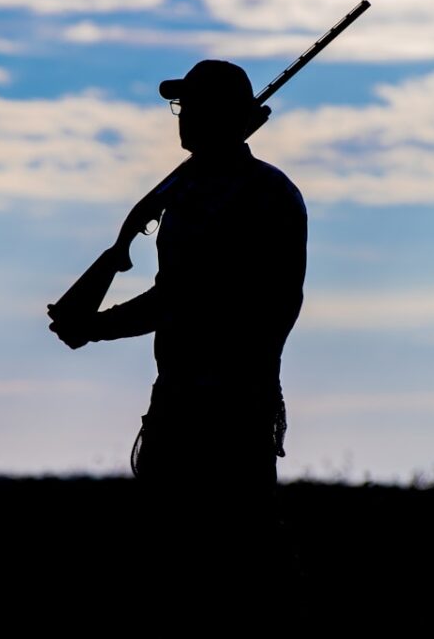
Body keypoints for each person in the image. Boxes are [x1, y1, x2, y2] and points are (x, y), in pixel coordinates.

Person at [49, 59, 308, 619]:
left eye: (195, 108)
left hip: (215, 408)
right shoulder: (223, 191)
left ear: (233, 120)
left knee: (206, 571)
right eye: (181, 106)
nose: (184, 119)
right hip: (207, 403)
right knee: (213, 567)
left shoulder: (229, 196)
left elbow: (183, 298)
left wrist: (94, 326)